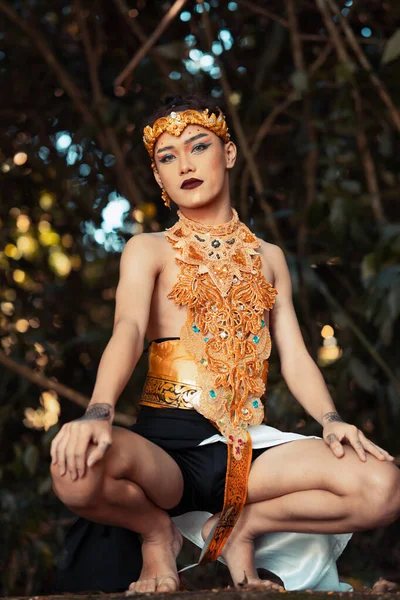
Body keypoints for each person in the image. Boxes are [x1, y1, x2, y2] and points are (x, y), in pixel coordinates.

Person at [50, 95, 400, 595]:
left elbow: (295, 353)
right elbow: (126, 329)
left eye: (198, 146)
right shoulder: (147, 249)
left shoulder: (270, 257)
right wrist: (99, 410)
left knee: (383, 487)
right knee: (74, 471)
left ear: (229, 154)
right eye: (168, 157)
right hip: (166, 453)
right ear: (159, 177)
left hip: (247, 452)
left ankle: (240, 530)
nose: (185, 164)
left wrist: (331, 421)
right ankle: (156, 534)